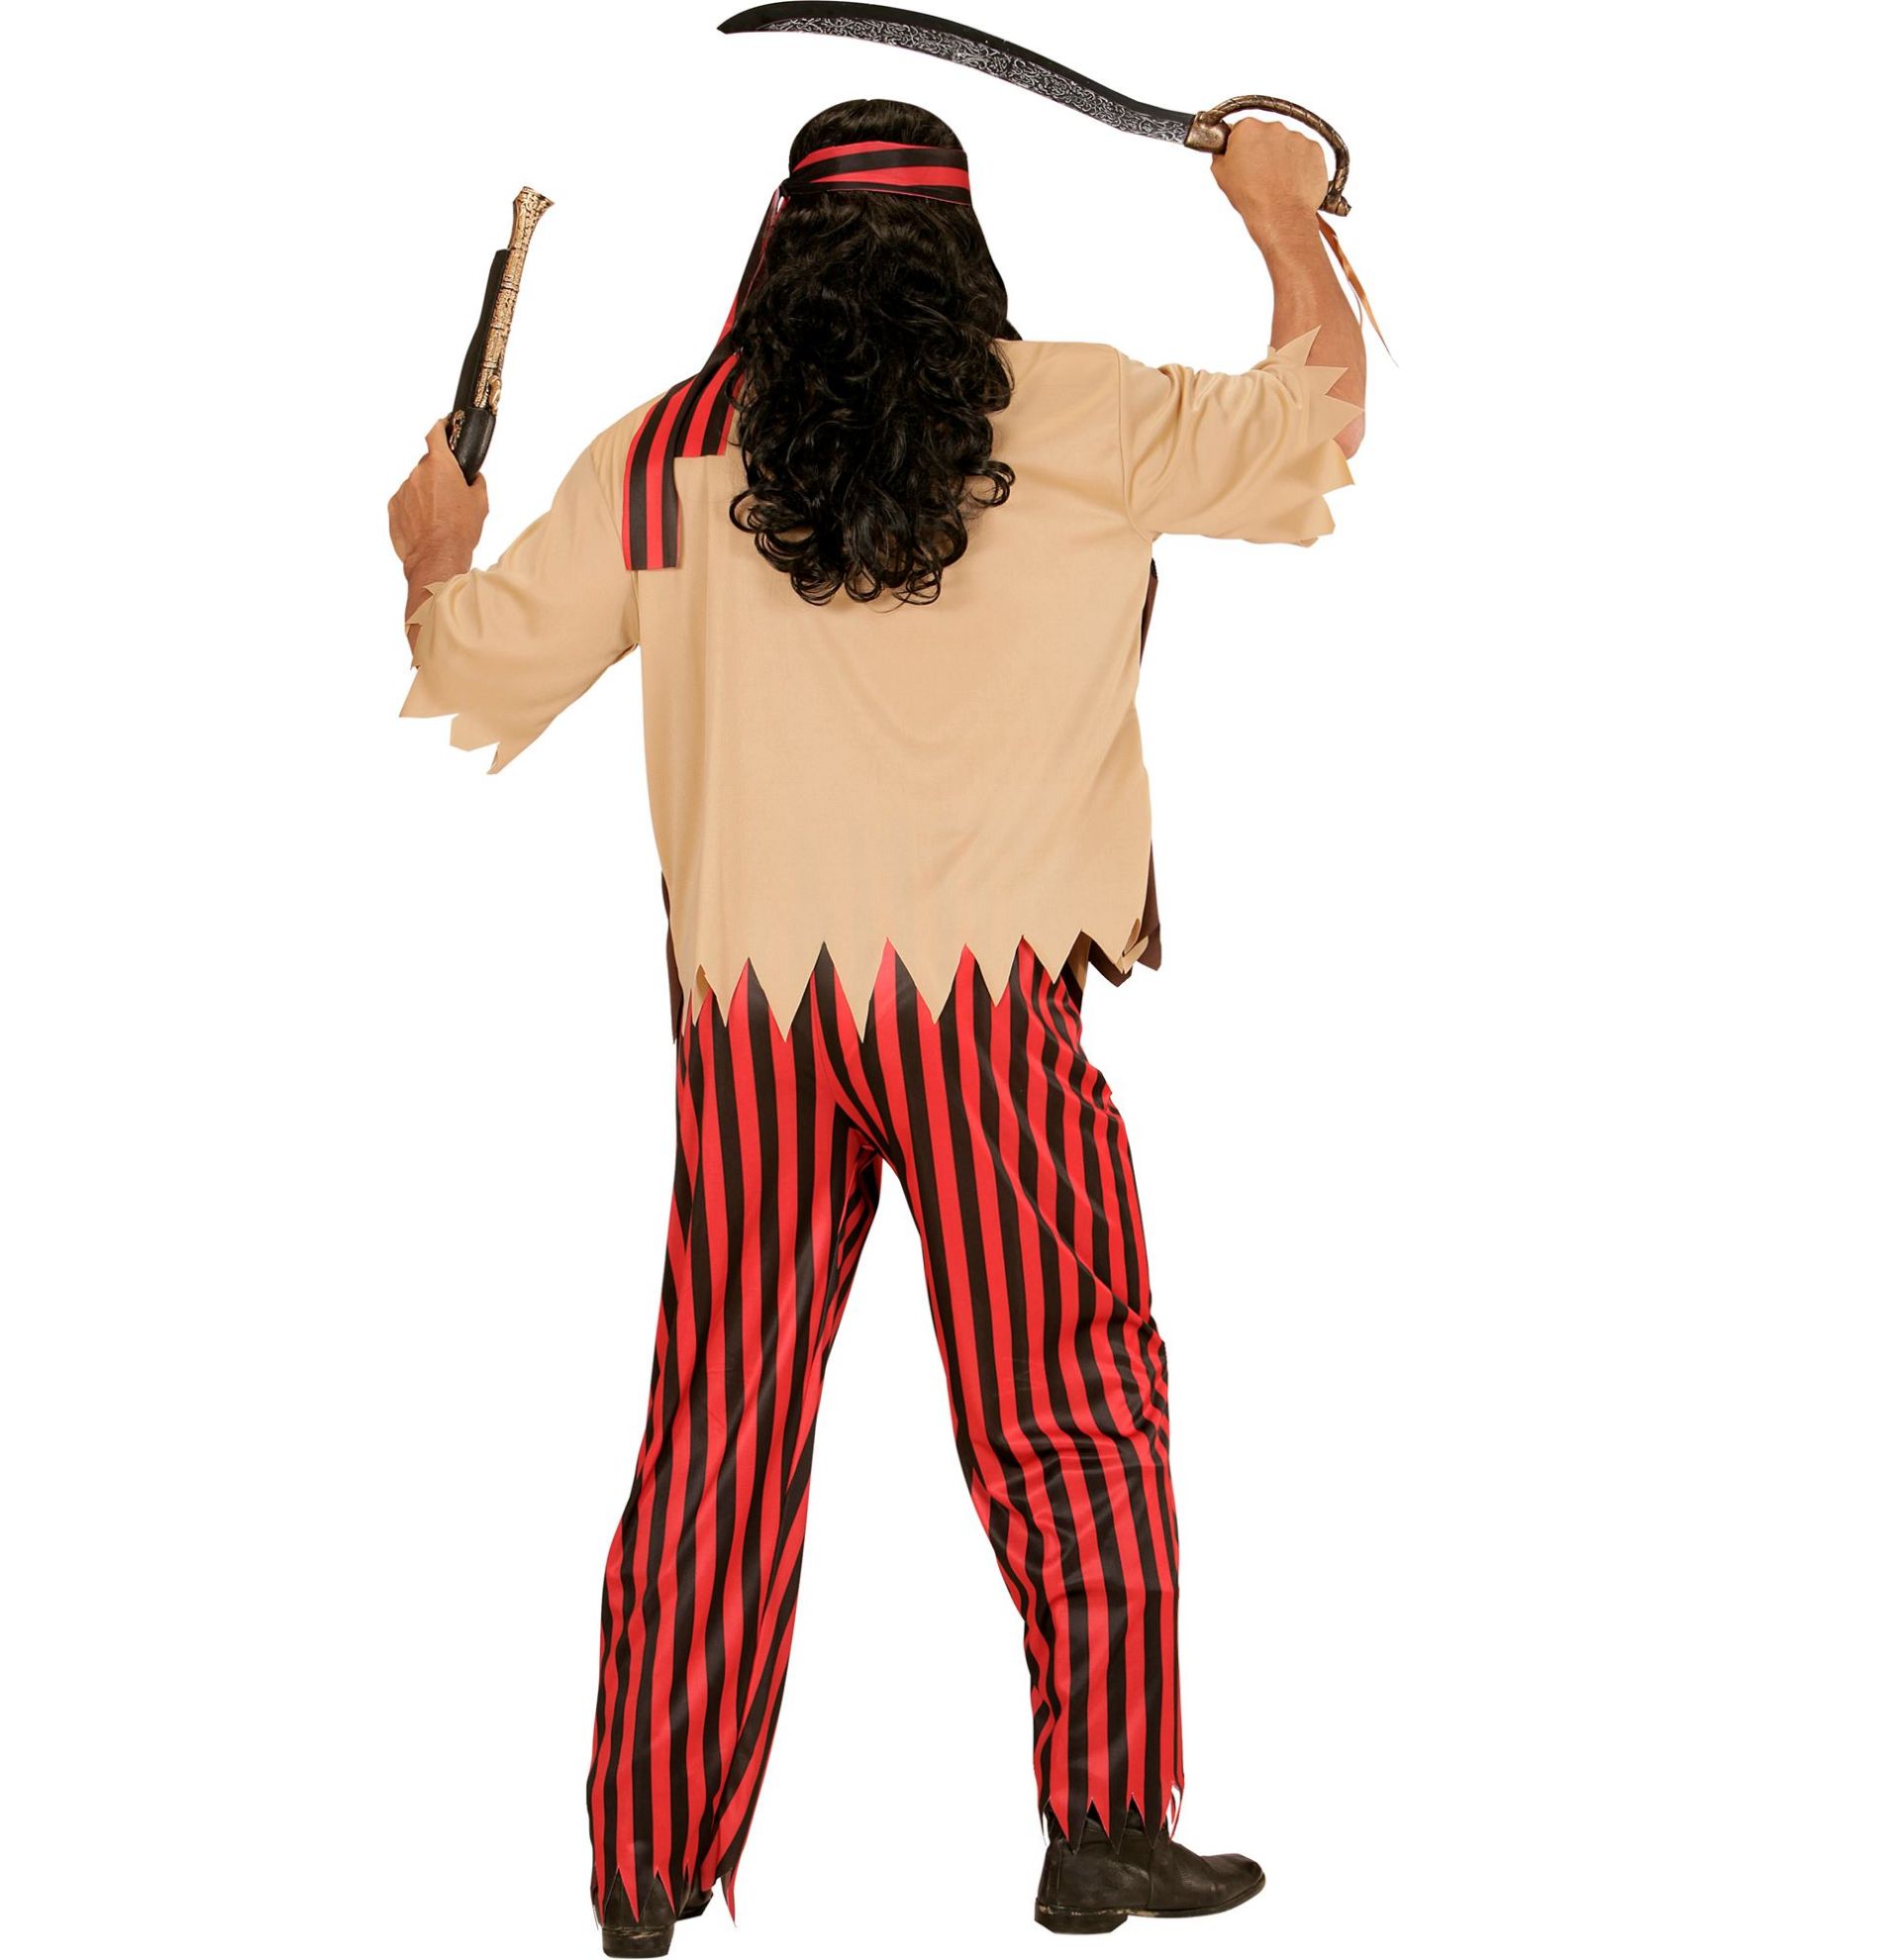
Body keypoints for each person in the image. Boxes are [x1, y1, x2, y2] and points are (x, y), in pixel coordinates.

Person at [387, 96, 1364, 1957]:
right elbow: (1316, 423)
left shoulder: (671, 456)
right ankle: (1104, 1822)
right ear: (964, 251)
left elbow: (474, 663)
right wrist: (1284, 211)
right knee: (1070, 1399)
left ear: (781, 253)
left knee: (721, 1424)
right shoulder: (1078, 415)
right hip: (987, 1016)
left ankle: (646, 1866)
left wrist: (436, 548)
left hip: (755, 1023)